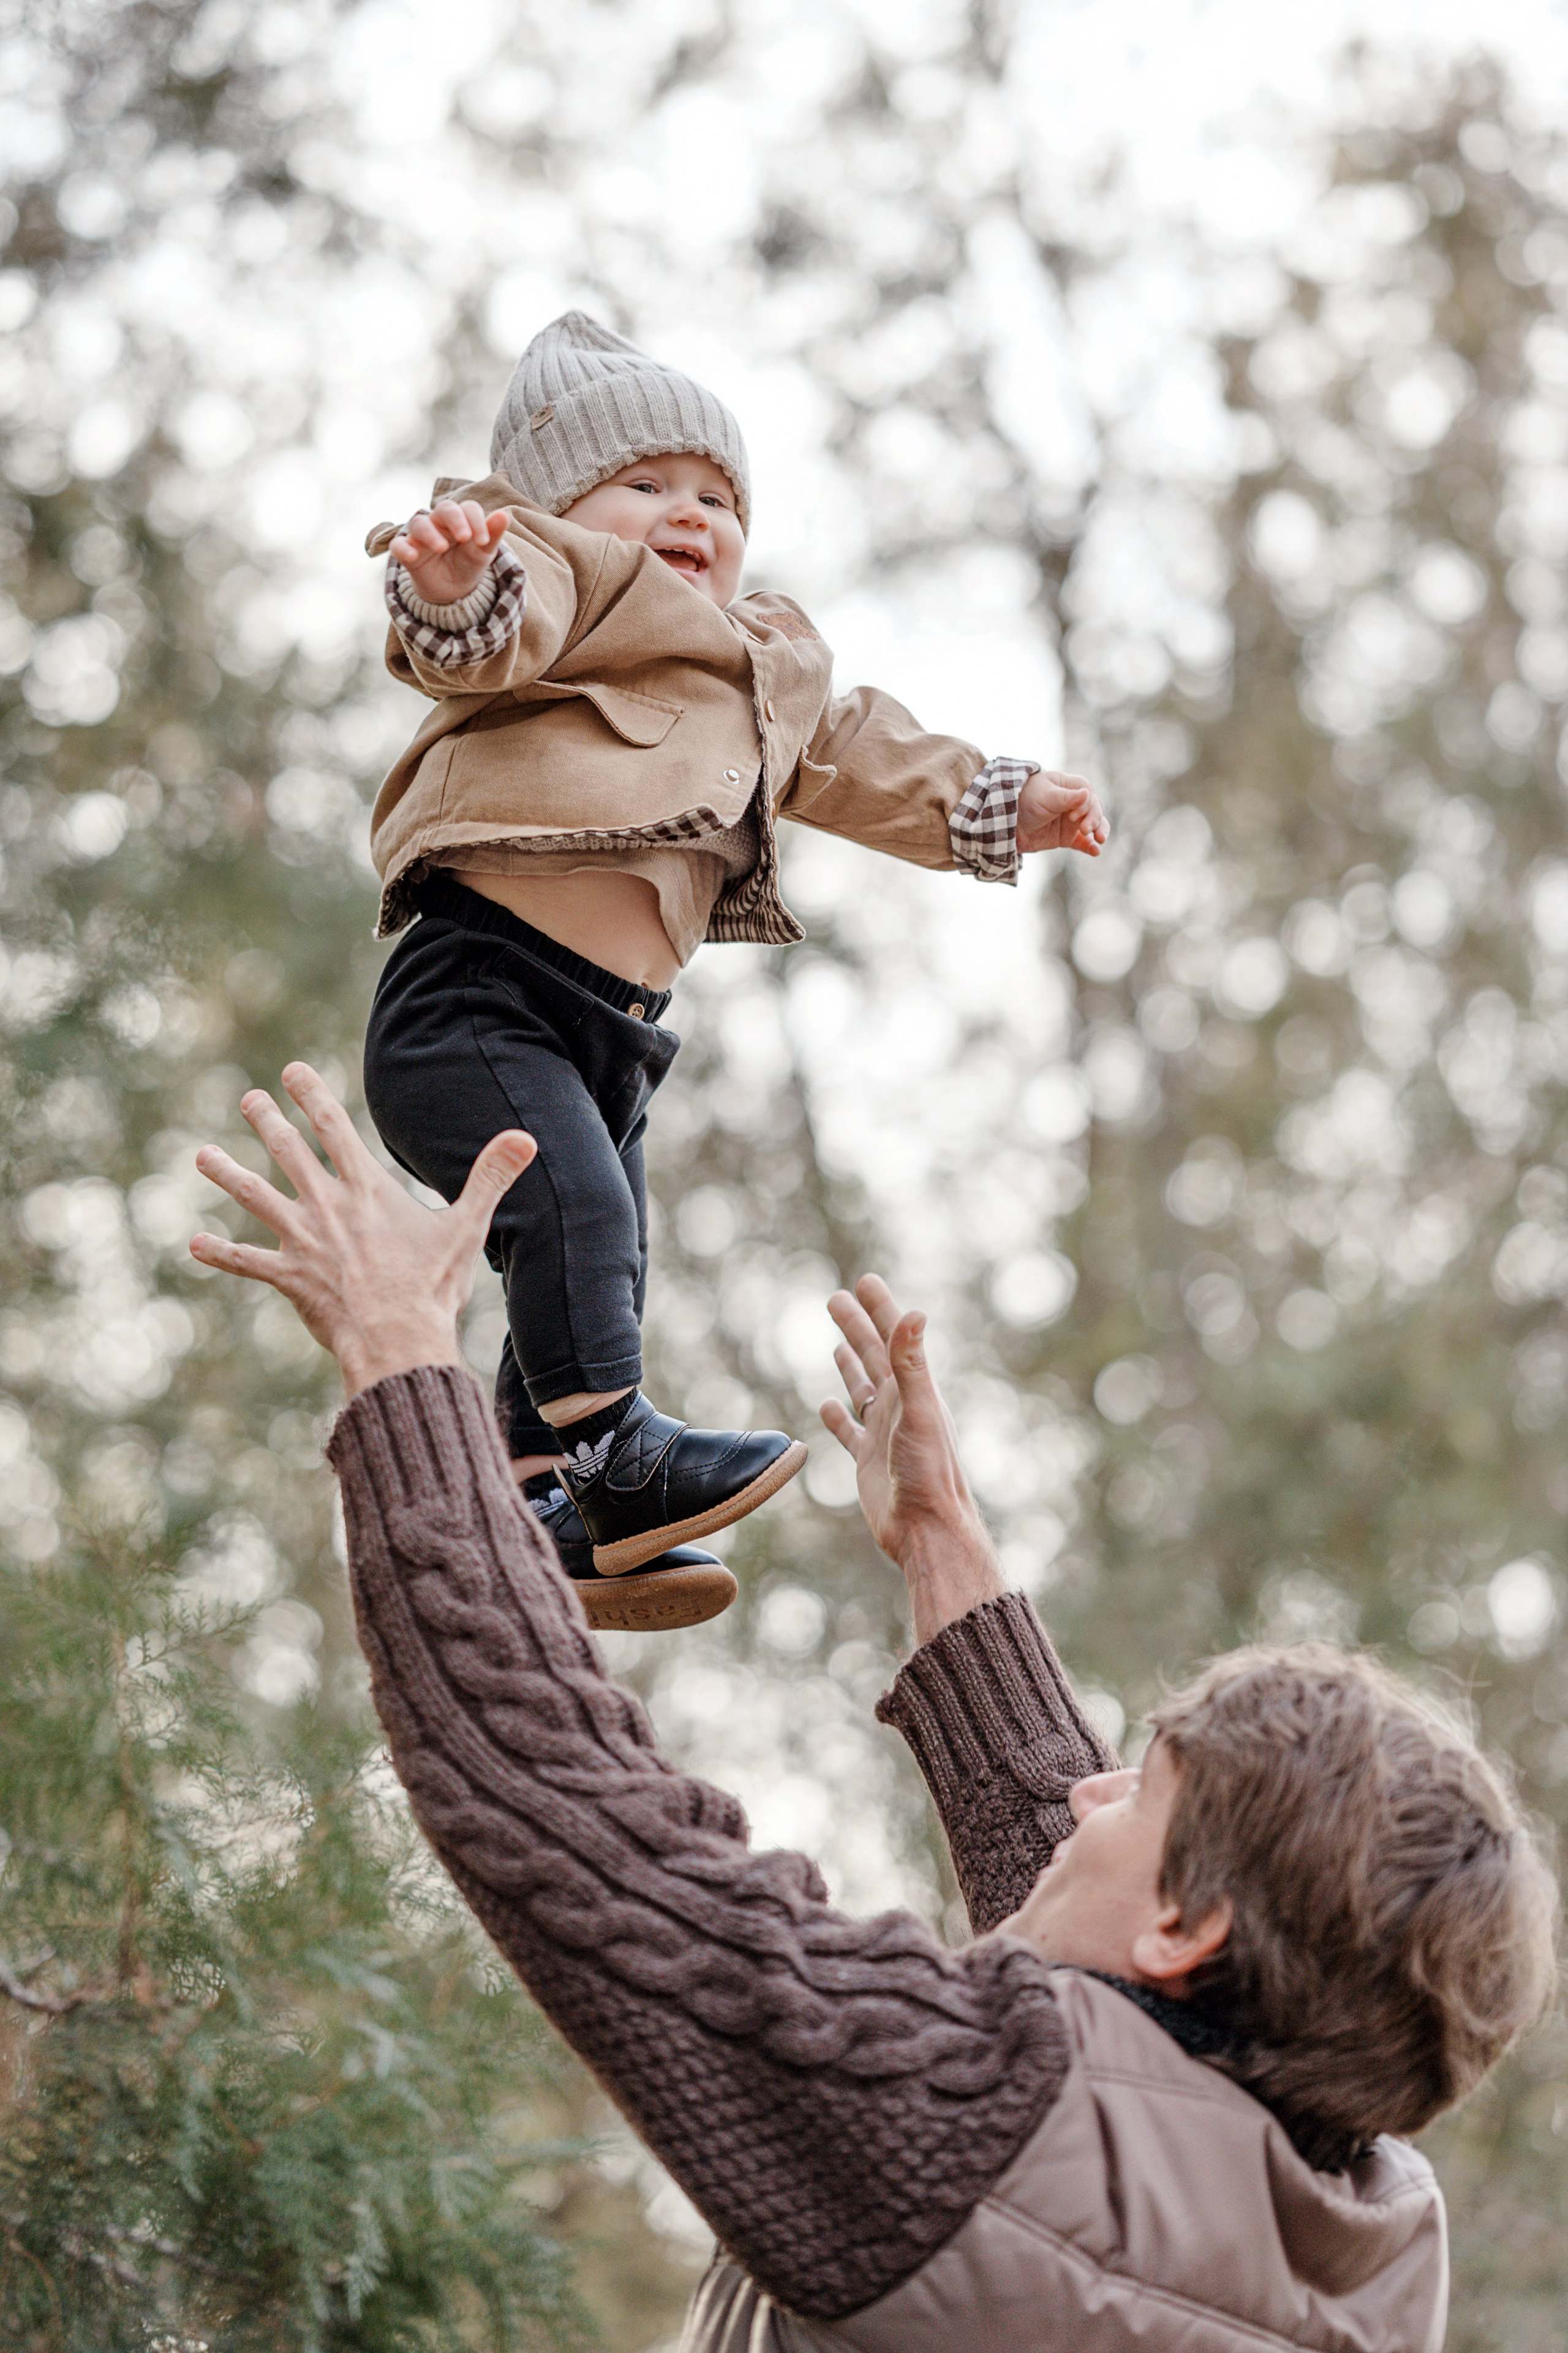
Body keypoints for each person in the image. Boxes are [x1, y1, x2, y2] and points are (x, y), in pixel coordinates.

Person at [190, 1065, 1556, 2353]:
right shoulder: (1368, 2248)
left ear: (1191, 1928)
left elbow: (572, 1811)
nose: (1087, 1791)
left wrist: (399, 1351)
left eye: (1139, 1787)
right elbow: (1116, 2049)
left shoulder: (964, 2142)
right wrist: (940, 1539)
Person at [358, 309, 1108, 1631]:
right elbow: (486, 626)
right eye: (645, 484)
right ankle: (622, 1455)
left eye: (715, 496)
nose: (686, 515)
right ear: (563, 504)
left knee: (599, 1257)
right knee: (580, 1215)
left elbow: (861, 753)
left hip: (611, 1033)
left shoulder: (760, 662)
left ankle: (549, 1502)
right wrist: (459, 579)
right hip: (478, 996)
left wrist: (1001, 802)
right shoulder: (564, 572)